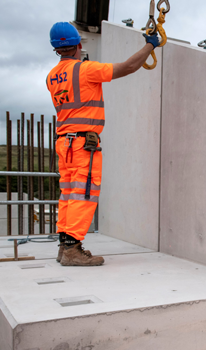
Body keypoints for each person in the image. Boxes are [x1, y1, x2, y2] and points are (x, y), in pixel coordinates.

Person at [46, 22, 160, 266]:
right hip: (82, 144)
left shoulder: (52, 76)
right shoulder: (85, 70)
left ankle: (65, 246)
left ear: (56, 49)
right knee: (84, 194)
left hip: (64, 144)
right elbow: (128, 67)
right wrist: (150, 45)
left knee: (68, 194)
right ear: (78, 44)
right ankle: (72, 250)